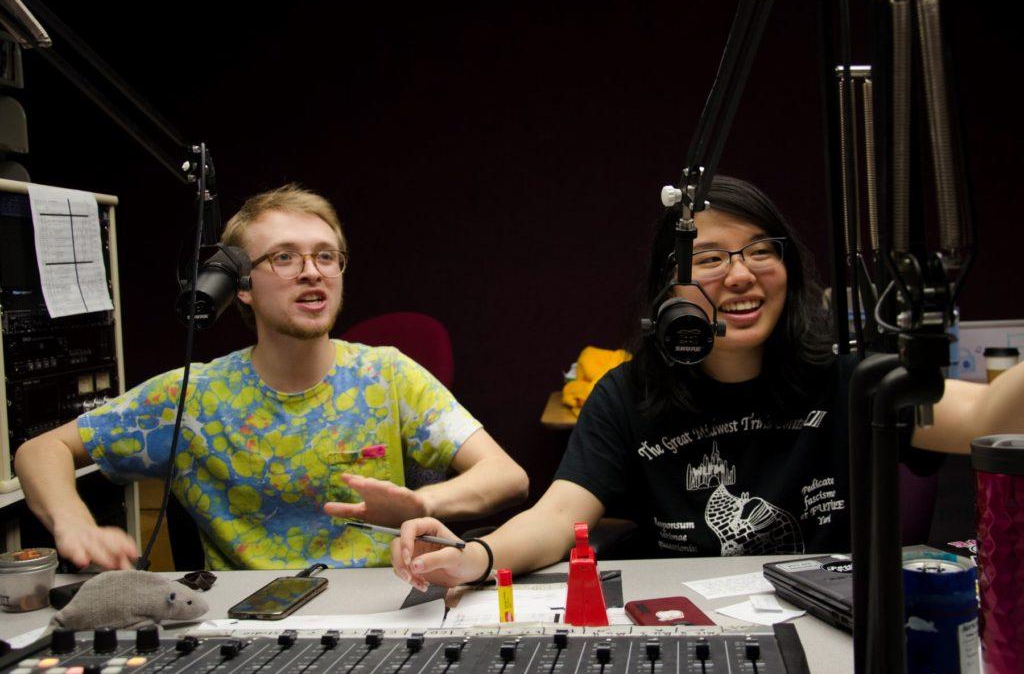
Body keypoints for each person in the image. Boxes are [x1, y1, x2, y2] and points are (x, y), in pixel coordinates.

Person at [390, 175, 1024, 589]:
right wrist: (476, 557)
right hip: (686, 621)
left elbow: (992, 414)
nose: (741, 275)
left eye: (760, 251)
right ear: (672, 290)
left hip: (833, 620)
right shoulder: (627, 394)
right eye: (712, 258)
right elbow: (559, 516)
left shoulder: (851, 381)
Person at [15, 184, 528, 571]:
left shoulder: (387, 375)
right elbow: (40, 451)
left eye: (326, 256)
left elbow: (507, 477)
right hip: (251, 625)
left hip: (387, 607)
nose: (312, 271)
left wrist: (424, 503)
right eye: (285, 257)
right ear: (238, 285)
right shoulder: (193, 396)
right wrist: (74, 523)